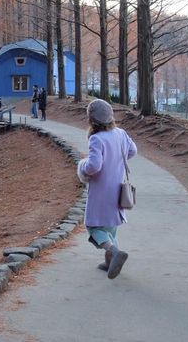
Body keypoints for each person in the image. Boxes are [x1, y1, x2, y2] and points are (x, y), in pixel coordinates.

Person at [77, 99, 137, 279]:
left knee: (93, 226)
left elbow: (94, 166)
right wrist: (116, 160)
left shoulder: (96, 138)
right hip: (117, 188)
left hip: (101, 190)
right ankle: (110, 261)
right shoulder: (121, 133)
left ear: (91, 119)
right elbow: (133, 151)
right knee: (110, 227)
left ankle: (114, 252)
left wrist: (82, 166)